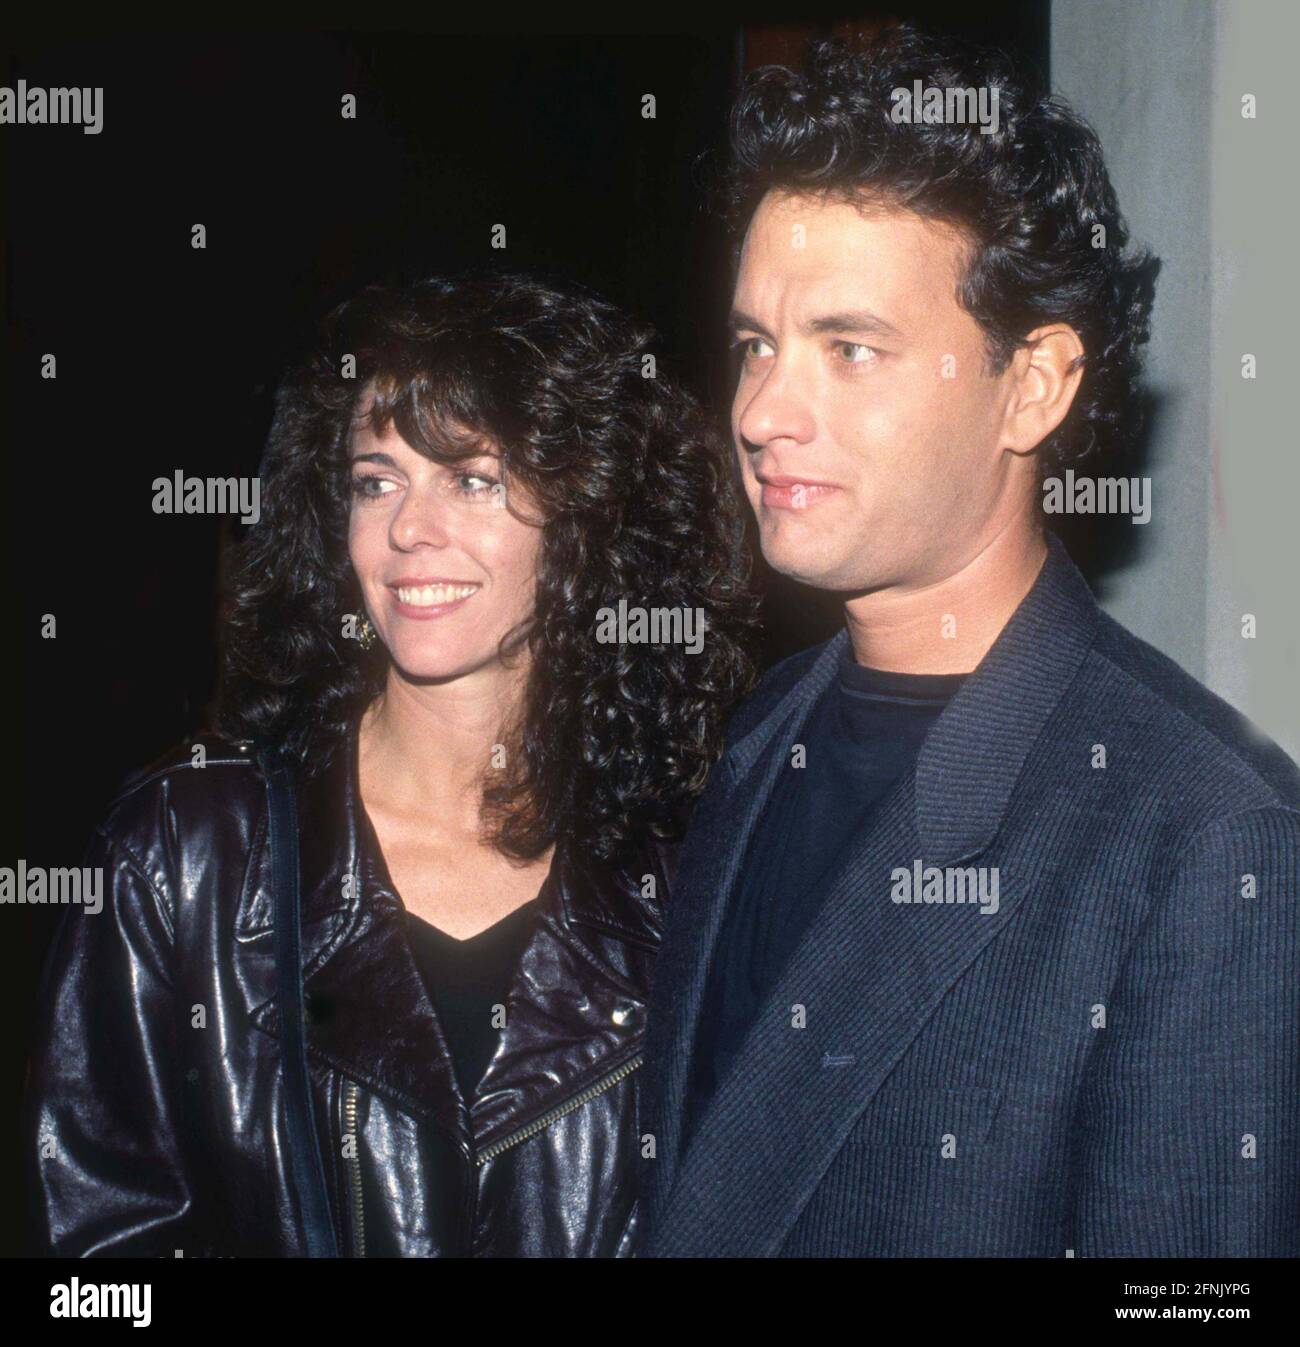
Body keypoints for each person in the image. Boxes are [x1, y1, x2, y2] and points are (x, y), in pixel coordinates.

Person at [638, 28, 1300, 1257]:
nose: (763, 413)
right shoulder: (759, 727)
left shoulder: (1210, 839)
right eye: (753, 347)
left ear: (1033, 385)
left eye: (848, 349)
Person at [26, 271, 756, 1257]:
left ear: (588, 516)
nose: (410, 530)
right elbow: (100, 1255)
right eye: (376, 481)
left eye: (470, 478)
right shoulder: (183, 854)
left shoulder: (696, 871)